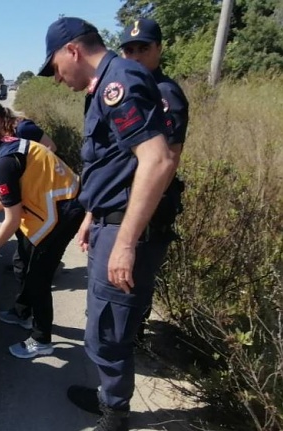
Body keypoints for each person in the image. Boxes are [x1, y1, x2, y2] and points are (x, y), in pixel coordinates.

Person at [36, 17, 179, 431]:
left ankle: (115, 417)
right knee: (102, 321)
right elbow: (113, 164)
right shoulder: (106, 85)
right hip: (109, 221)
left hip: (125, 228)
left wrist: (126, 242)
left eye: (56, 68)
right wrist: (92, 217)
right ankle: (107, 399)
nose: (58, 79)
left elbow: (158, 160)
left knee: (109, 331)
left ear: (73, 51)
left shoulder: (120, 83)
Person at [0, 116, 84, 359]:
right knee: (22, 260)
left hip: (62, 211)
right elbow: (7, 197)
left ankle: (41, 339)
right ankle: (23, 312)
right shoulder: (3, 148)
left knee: (39, 276)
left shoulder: (3, 162)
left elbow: (11, 218)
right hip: (48, 206)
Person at [119, 18, 189, 341]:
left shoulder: (165, 94)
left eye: (142, 48)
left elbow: (166, 162)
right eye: (128, 49)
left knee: (133, 289)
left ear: (159, 49)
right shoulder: (129, 90)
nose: (134, 56)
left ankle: (127, 356)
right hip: (126, 203)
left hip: (148, 209)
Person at [0, 100, 59, 284]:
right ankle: (26, 266)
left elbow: (50, 148)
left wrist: (28, 176)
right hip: (26, 190)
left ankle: (34, 273)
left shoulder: (23, 129)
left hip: (46, 189)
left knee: (34, 232)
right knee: (23, 232)